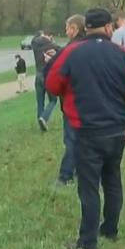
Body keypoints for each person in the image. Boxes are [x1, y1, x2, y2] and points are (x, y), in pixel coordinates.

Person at [46, 8, 125, 249]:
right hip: (116, 131)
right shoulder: (123, 54)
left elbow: (52, 83)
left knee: (89, 186)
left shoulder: (71, 52)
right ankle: (110, 229)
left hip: (86, 131)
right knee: (112, 180)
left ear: (86, 28)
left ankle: (88, 242)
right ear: (107, 28)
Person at [44, 14, 86, 187]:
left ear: (75, 29)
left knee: (71, 140)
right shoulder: (86, 45)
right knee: (81, 139)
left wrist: (50, 61)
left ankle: (65, 175)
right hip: (87, 102)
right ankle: (79, 171)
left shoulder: (71, 49)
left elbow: (55, 75)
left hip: (72, 102)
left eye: (68, 28)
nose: (65, 31)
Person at [31, 30, 60, 132]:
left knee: (40, 101)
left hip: (38, 75)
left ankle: (40, 120)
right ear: (50, 36)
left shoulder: (35, 45)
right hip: (48, 75)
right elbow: (62, 51)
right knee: (53, 100)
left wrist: (41, 35)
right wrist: (52, 42)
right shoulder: (52, 45)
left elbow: (34, 39)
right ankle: (44, 118)